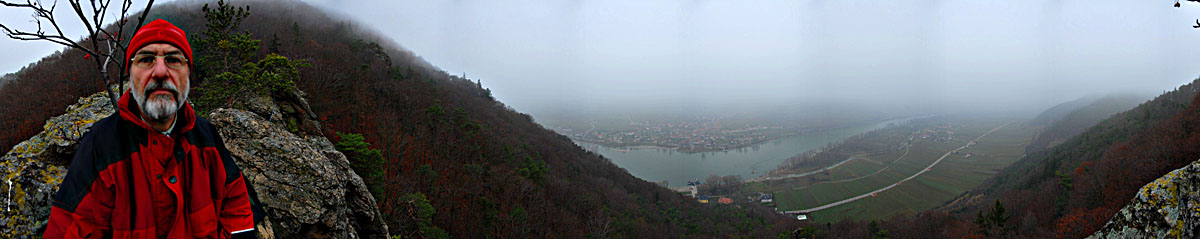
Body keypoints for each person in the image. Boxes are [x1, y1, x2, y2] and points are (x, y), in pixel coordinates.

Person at [44, 19, 261, 239]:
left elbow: (237, 206)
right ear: (130, 75)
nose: (160, 72)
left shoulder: (207, 137)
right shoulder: (101, 147)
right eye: (146, 60)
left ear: (189, 75)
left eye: (173, 60)